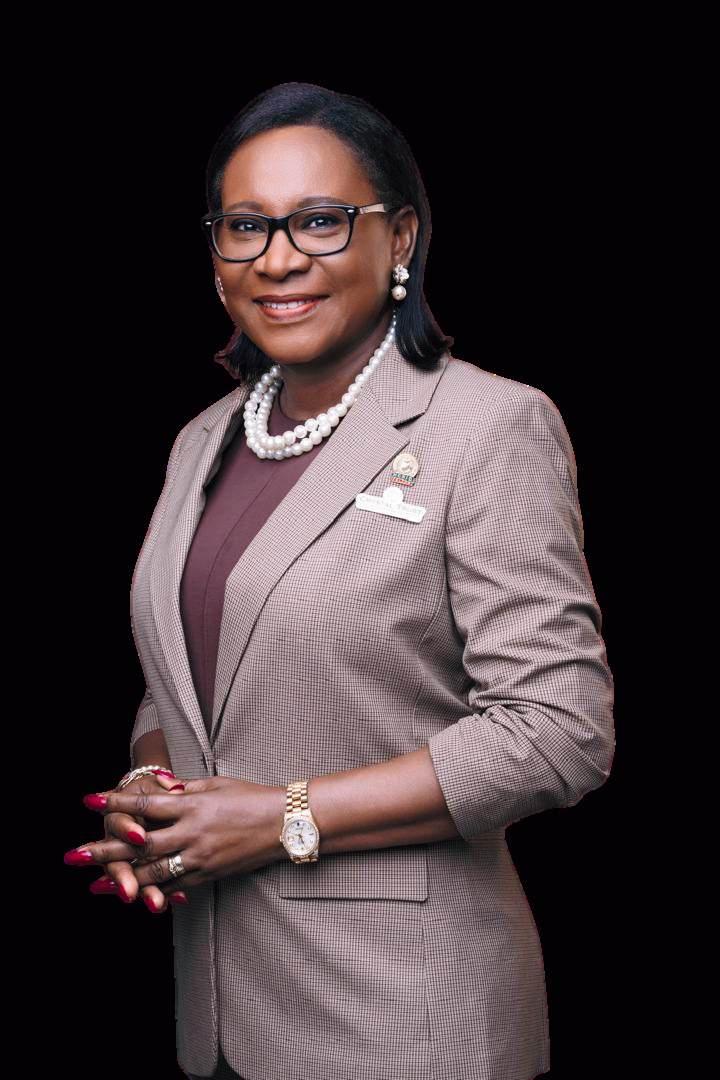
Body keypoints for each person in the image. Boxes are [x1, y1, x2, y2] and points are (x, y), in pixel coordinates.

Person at [65, 82, 615, 1080]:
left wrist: (283, 817)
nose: (278, 258)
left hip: (405, 1015)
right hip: (224, 1010)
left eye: (320, 220)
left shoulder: (487, 427)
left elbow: (557, 728)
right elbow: (189, 678)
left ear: (399, 237)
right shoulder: (202, 440)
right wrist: (153, 789)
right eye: (246, 226)